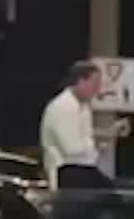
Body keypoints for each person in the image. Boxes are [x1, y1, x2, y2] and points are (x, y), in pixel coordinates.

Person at [42, 61, 111, 189]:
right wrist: (97, 147)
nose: (98, 89)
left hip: (84, 169)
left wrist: (107, 134)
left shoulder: (84, 106)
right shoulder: (63, 106)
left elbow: (85, 135)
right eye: (95, 83)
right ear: (81, 82)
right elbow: (72, 149)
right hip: (67, 173)